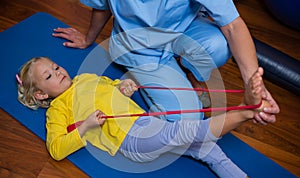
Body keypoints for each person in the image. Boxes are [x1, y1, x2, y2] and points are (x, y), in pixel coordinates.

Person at [16, 57, 282, 178]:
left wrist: (124, 88)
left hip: (146, 122)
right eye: (49, 76)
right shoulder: (57, 110)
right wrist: (85, 127)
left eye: (55, 66)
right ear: (40, 95)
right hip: (130, 139)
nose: (58, 71)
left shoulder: (85, 77)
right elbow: (55, 149)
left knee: (209, 150)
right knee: (187, 131)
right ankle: (245, 111)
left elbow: (113, 89)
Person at [52, 0, 280, 124]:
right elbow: (102, 6)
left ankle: (186, 70)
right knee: (190, 117)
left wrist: (255, 84)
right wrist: (88, 38)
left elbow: (232, 26)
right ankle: (159, 77)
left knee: (219, 45)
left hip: (183, 31)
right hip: (139, 47)